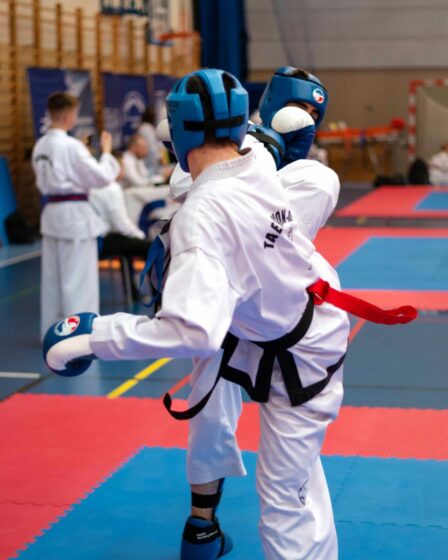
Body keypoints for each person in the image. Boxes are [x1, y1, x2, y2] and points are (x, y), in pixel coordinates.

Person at [43, 69, 351, 559]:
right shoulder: (257, 161)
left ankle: (222, 529)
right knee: (222, 420)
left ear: (178, 133)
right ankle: (202, 524)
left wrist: (95, 335)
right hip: (269, 317)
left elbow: (193, 329)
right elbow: (208, 177)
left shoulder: (215, 210)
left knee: (285, 498)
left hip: (297, 350)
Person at [32, 92, 120, 339]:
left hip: (52, 215)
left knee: (52, 282)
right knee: (78, 282)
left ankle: (52, 334)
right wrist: (106, 152)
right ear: (69, 116)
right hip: (74, 218)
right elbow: (102, 177)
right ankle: (78, 335)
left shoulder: (41, 145)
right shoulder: (71, 146)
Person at [89, 159, 151, 302]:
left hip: (94, 239)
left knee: (127, 245)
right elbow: (121, 224)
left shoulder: (94, 186)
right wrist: (140, 236)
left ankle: (133, 293)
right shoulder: (111, 188)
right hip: (102, 241)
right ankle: (157, 294)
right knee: (150, 247)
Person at [121, 134, 176, 226]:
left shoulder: (138, 159)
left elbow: (146, 177)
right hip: (127, 199)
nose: (146, 151)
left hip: (137, 196)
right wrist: (161, 177)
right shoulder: (126, 160)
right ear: (134, 147)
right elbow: (138, 182)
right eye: (143, 148)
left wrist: (160, 177)